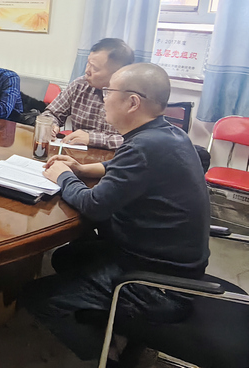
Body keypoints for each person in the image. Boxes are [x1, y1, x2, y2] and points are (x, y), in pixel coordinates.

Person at [20, 63, 210, 365]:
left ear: (132, 102)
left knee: (37, 297)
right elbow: (127, 166)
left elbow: (94, 205)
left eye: (109, 92)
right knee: (66, 258)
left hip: (158, 287)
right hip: (169, 265)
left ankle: (107, 357)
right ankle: (105, 321)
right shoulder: (167, 134)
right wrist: (84, 169)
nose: (104, 97)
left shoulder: (144, 146)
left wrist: (63, 177)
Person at [40, 38, 135, 150]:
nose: (87, 71)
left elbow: (137, 140)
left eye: (94, 68)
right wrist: (50, 125)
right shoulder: (80, 85)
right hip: (76, 154)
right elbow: (51, 113)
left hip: (115, 158)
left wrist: (92, 139)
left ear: (119, 73)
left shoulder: (132, 98)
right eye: (88, 63)